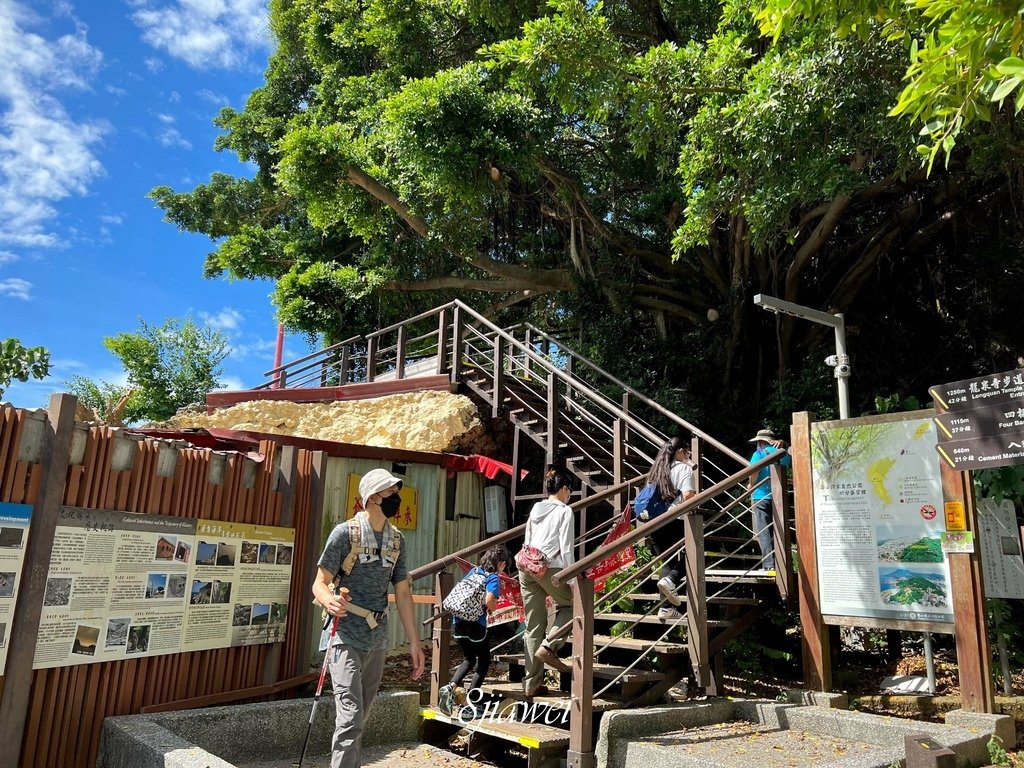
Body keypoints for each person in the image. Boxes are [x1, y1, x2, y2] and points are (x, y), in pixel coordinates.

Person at [312, 468, 425, 768]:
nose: (397, 499)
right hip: (344, 633)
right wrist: (329, 600)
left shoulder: (397, 540)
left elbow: (402, 593)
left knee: (360, 716)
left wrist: (415, 643)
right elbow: (319, 583)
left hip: (377, 637)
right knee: (350, 716)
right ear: (372, 497)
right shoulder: (344, 533)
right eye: (391, 493)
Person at [518, 468, 575, 697]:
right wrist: (571, 579)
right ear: (562, 489)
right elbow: (567, 548)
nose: (569, 495)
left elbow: (528, 539)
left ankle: (532, 684)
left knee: (533, 626)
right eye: (569, 490)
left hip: (526, 566)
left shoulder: (535, 509)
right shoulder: (565, 511)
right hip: (549, 568)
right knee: (572, 606)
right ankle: (549, 645)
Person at [438, 544, 510, 717]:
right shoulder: (492, 578)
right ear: (500, 564)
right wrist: (492, 609)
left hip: (459, 622)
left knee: (470, 659)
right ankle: (471, 705)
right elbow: (489, 599)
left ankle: (450, 687)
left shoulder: (474, 571)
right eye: (505, 564)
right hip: (475, 625)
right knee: (484, 662)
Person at [643, 436, 696, 619]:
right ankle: (671, 580)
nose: (689, 455)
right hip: (675, 520)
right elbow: (688, 495)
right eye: (687, 452)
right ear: (680, 451)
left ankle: (665, 608)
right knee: (693, 554)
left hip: (655, 522)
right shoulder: (683, 469)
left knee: (668, 562)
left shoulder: (657, 471)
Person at [747, 428, 791, 573]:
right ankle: (783, 565)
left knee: (765, 532)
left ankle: (769, 565)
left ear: (761, 442)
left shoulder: (758, 454)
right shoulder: (784, 454)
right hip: (780, 498)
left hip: (761, 496)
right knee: (780, 530)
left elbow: (753, 471)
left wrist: (750, 485)